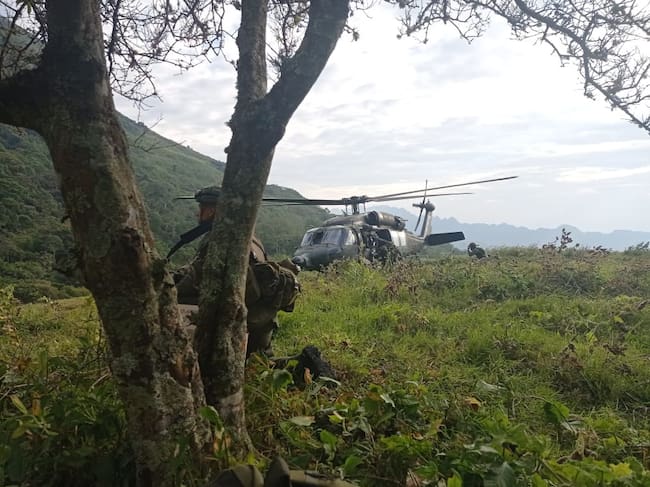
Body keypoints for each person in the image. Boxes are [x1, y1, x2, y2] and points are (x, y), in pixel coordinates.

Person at [171, 186, 300, 357]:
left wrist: (164, 285)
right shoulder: (248, 237)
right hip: (260, 325)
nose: (198, 213)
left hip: (240, 328)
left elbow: (191, 281)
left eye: (202, 208)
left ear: (213, 211)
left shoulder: (221, 240)